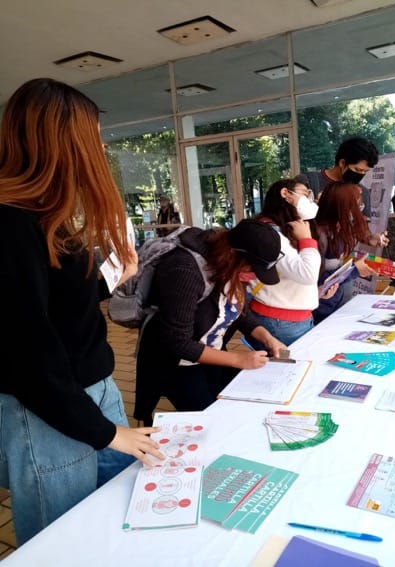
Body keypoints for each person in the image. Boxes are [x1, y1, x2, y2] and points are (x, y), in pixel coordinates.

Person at [0, 78, 165, 546]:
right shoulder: (9, 224)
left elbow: (57, 302)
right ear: (61, 140)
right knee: (64, 542)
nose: (100, 148)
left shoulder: (44, 213)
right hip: (49, 410)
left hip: (93, 391)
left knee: (114, 520)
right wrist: (106, 433)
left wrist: (114, 276)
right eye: (92, 136)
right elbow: (28, 353)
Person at [134, 219, 287, 425]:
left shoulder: (228, 266)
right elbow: (177, 342)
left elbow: (237, 310)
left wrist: (268, 338)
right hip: (178, 364)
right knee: (209, 421)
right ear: (236, 255)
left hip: (211, 356)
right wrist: (238, 359)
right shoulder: (185, 269)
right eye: (254, 269)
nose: (254, 277)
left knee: (225, 409)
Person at [243, 178, 336, 348]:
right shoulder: (270, 233)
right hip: (280, 322)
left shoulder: (286, 229)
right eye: (305, 194)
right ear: (286, 194)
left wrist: (316, 293)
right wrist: (306, 240)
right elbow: (307, 273)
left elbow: (292, 274)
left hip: (293, 319)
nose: (310, 201)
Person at [312, 182, 389, 323]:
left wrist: (371, 238)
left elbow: (361, 233)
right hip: (318, 311)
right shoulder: (319, 235)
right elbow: (320, 283)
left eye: (360, 205)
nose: (360, 209)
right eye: (356, 205)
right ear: (341, 206)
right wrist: (355, 270)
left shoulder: (339, 228)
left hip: (334, 303)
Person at [302, 136, 379, 222]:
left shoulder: (363, 193)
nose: (361, 174)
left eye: (365, 171)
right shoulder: (308, 182)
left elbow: (364, 227)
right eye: (357, 170)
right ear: (342, 163)